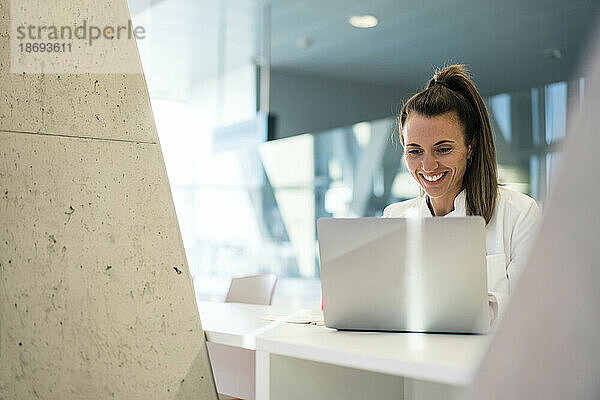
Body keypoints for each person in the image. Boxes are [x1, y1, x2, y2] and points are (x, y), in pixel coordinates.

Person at [383, 64, 540, 324]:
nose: (428, 166)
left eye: (443, 149)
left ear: (471, 147)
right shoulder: (394, 217)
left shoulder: (519, 213)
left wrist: (481, 308)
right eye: (415, 151)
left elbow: (533, 307)